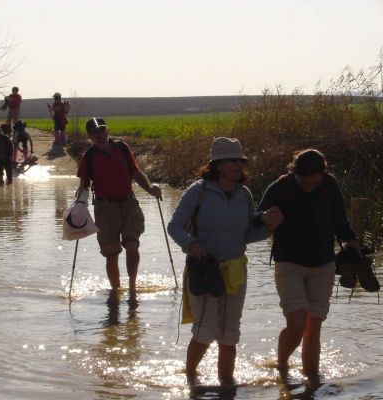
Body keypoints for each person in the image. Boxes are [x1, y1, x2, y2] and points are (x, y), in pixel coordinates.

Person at [167, 137, 283, 388]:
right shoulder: (197, 191)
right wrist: (191, 244)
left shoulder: (245, 194)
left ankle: (227, 385)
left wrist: (267, 227)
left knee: (230, 334)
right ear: (217, 164)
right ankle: (191, 381)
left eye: (241, 161)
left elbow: (246, 236)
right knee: (205, 332)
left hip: (236, 271)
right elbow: (174, 226)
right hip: (204, 271)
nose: (238, 165)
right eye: (232, 161)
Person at [256, 149, 361, 382]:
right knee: (297, 323)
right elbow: (257, 216)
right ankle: (282, 368)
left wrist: (354, 245)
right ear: (295, 173)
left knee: (314, 326)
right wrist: (265, 217)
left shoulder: (330, 185)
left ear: (323, 175)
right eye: (306, 181)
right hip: (289, 263)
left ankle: (312, 381)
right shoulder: (280, 187)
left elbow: (339, 220)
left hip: (323, 264)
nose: (311, 186)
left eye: (316, 181)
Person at [76, 117, 162, 292]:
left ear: (107, 130)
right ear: (89, 135)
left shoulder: (122, 148)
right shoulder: (89, 157)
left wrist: (150, 189)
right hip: (104, 208)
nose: (99, 134)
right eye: (95, 132)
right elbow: (83, 185)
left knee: (132, 245)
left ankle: (132, 288)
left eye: (102, 130)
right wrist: (79, 203)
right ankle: (116, 293)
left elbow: (136, 172)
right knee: (111, 254)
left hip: (128, 203)